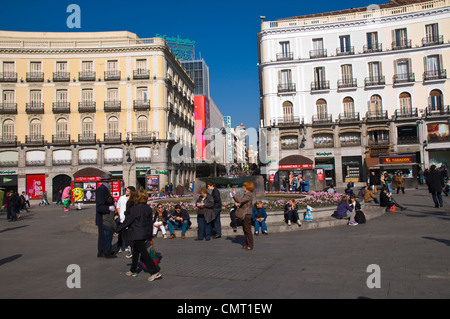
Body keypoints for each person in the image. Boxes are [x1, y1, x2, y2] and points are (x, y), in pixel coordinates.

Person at [116, 190, 162, 281]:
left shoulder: (135, 209)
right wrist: (149, 234)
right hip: (144, 232)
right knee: (136, 251)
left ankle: (154, 271)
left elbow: (128, 221)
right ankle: (133, 270)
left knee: (144, 253)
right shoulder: (148, 208)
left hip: (136, 233)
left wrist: (117, 229)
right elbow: (150, 222)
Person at [95, 174, 115, 258]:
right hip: (103, 218)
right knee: (103, 236)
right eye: (108, 181)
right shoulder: (101, 189)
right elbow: (99, 206)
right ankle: (102, 252)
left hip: (106, 217)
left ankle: (107, 250)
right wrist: (108, 208)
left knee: (107, 235)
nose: (109, 183)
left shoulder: (105, 189)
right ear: (104, 181)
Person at [232, 181, 254, 250]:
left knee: (247, 230)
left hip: (247, 213)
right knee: (245, 229)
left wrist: (235, 194)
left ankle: (250, 244)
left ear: (247, 187)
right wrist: (239, 204)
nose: (243, 187)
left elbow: (240, 200)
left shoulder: (248, 194)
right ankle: (247, 244)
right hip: (245, 212)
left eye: (244, 186)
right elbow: (243, 202)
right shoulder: (246, 194)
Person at [116, 186, 133, 252]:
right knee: (121, 233)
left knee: (128, 233)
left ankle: (127, 245)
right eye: (126, 190)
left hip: (129, 218)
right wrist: (120, 214)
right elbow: (118, 207)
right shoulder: (122, 198)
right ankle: (119, 246)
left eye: (128, 191)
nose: (126, 191)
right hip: (122, 218)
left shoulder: (132, 199)